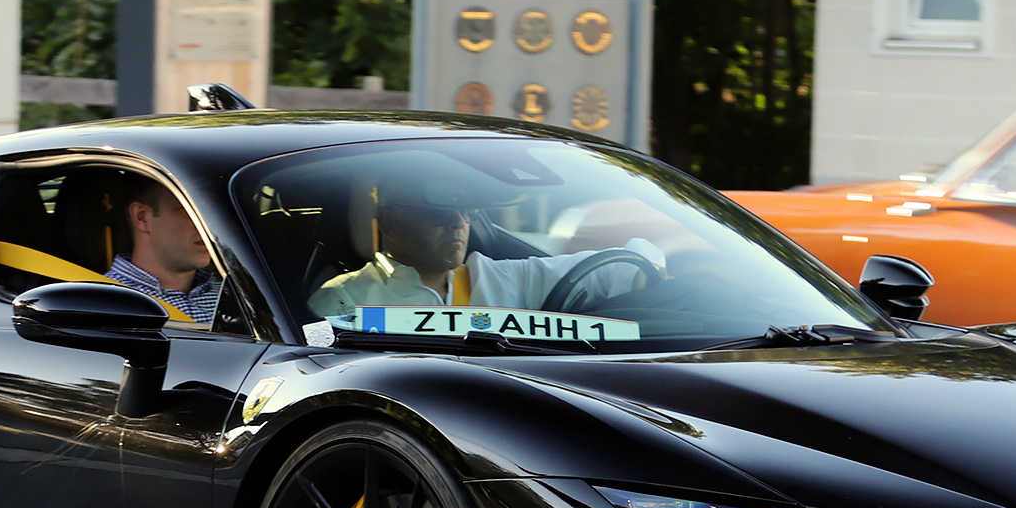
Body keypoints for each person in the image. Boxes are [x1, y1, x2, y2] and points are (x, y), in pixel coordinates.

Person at [308, 174, 665, 319]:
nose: (456, 223)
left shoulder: (504, 277)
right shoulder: (343, 298)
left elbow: (624, 268)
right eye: (437, 213)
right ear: (387, 222)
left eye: (463, 213)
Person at [107, 177, 224, 325]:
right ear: (142, 217)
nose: (209, 225)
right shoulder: (107, 303)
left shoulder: (237, 292)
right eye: (191, 211)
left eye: (212, 213)